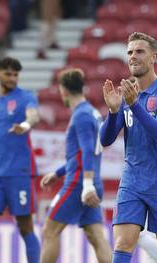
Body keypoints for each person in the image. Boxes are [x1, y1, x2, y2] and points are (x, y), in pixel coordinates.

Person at [99, 32, 157, 263]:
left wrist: (134, 105)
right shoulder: (126, 95)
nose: (133, 56)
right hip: (132, 181)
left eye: (139, 51)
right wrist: (113, 111)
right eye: (129, 52)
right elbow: (105, 139)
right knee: (122, 243)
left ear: (153, 57)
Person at [39, 68, 112, 263]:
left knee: (50, 230)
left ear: (64, 90)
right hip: (91, 180)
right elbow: (81, 153)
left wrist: (86, 185)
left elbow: (87, 150)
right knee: (96, 235)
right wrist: (58, 172)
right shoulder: (92, 113)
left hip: (79, 184)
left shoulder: (81, 115)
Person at [0, 57, 41, 262]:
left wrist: (24, 125)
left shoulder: (25, 97)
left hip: (19, 172)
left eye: (16, 74)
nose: (13, 78)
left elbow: (33, 116)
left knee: (25, 227)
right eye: (8, 73)